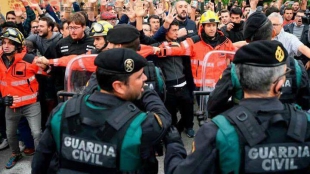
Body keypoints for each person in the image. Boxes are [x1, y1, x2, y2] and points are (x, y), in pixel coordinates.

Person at [165, 40, 310, 173]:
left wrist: (174, 145)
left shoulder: (217, 132)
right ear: (279, 85)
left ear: (239, 79)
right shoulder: (306, 123)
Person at [32, 48, 171, 173]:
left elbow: (40, 161)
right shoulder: (138, 126)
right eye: (140, 77)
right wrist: (146, 91)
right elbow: (163, 119)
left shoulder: (62, 111)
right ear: (118, 86)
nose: (145, 79)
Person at [207, 12, 310, 117]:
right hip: (287, 128)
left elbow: (213, 106)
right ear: (273, 33)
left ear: (246, 40)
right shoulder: (295, 67)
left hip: (244, 127)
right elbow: (305, 104)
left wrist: (235, 111)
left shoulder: (235, 69)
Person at [0, 27, 49, 169]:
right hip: (11, 106)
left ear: (18, 45)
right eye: (3, 42)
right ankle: (15, 154)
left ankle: (41, 160)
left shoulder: (30, 60)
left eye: (10, 42)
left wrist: (47, 67)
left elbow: (48, 72)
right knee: (10, 135)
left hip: (31, 104)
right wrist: (2, 100)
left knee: (37, 133)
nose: (6, 45)